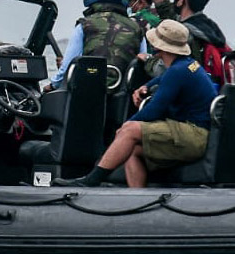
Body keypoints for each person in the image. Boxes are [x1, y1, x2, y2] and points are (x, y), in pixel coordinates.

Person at [52, 20, 217, 188]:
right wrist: (147, 85)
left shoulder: (177, 72)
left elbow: (154, 111)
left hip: (194, 134)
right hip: (196, 133)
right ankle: (137, 196)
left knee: (130, 131)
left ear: (160, 47)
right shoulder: (187, 65)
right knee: (132, 150)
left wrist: (126, 128)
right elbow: (165, 78)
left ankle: (92, 179)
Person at [137, 0, 228, 85]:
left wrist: (148, 60)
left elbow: (168, 71)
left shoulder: (186, 35)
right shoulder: (208, 27)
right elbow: (172, 17)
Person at [46, 0, 143, 91]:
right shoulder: (137, 28)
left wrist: (52, 85)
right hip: (124, 94)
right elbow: (141, 63)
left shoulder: (84, 25)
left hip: (89, 92)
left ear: (95, 3)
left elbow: (68, 64)